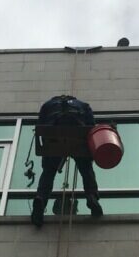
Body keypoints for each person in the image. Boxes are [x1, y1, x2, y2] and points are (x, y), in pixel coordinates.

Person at [31, 95, 103, 227]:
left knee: (48, 172)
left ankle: (41, 198)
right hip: (78, 137)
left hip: (54, 137)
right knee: (86, 169)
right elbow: (91, 126)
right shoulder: (83, 105)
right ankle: (91, 195)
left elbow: (41, 124)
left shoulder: (47, 105)